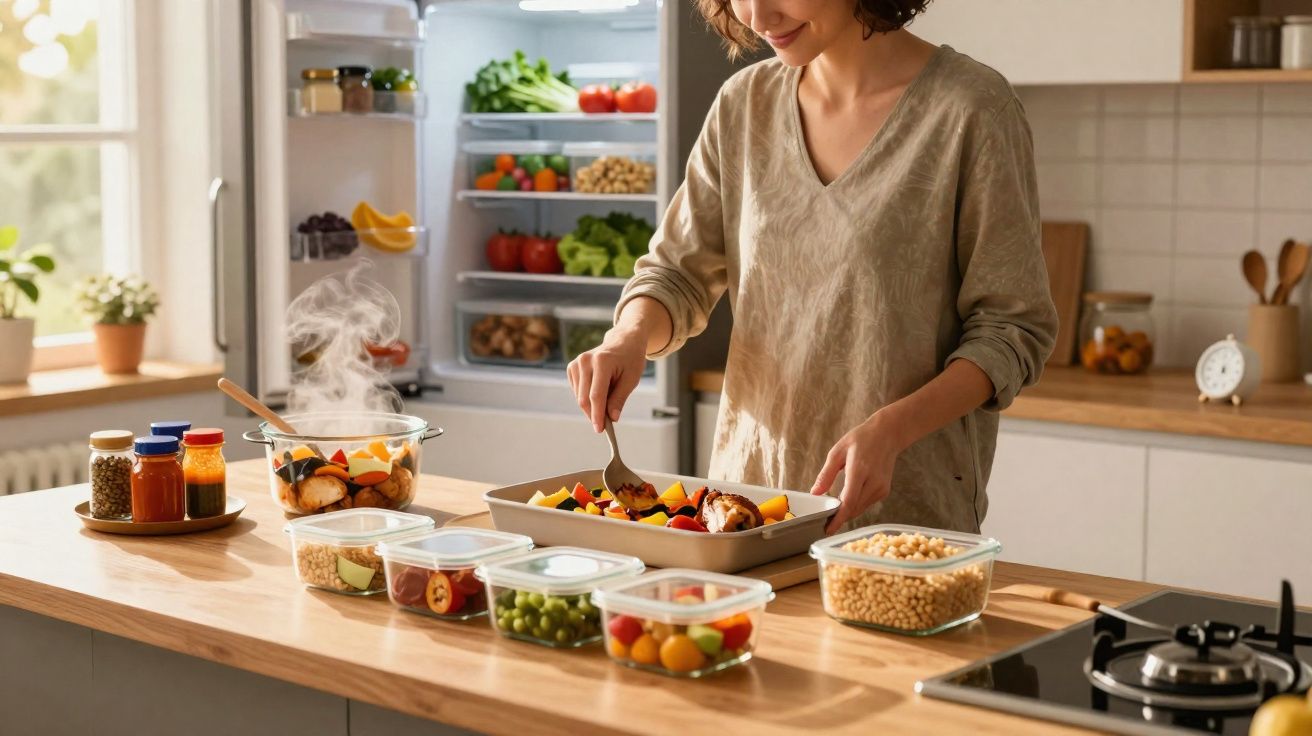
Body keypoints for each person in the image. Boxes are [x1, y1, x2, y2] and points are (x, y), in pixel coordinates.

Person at [567, 0, 1057, 535]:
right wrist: (628, 338)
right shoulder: (743, 105)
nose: (758, 17)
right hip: (743, 513)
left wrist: (894, 429)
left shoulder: (971, 109)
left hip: (902, 519)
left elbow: (1010, 330)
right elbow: (676, 275)